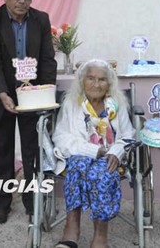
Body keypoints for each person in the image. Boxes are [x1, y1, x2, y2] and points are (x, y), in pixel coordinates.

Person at [0, 0, 57, 224]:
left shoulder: (41, 20)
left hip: (32, 92)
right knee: (1, 151)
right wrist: (2, 93)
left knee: (32, 150)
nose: (22, 1)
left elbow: (47, 59)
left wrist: (44, 92)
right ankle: (1, 206)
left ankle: (32, 201)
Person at [52, 59, 135, 248]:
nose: (96, 84)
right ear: (82, 80)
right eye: (91, 78)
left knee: (103, 172)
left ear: (109, 83)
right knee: (78, 165)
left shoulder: (117, 104)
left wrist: (116, 151)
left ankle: (100, 236)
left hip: (110, 159)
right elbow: (61, 136)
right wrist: (93, 150)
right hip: (79, 155)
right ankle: (71, 229)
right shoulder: (71, 104)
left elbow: (129, 134)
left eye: (102, 79)